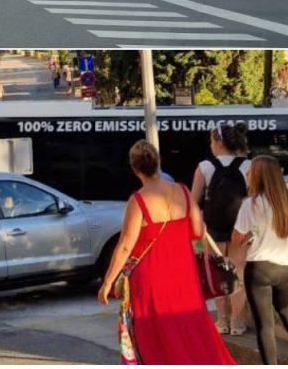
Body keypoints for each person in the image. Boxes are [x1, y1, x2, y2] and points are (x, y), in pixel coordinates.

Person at [99, 140, 235, 364]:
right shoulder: (182, 190)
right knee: (193, 331)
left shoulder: (138, 201)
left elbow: (125, 245)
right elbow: (198, 230)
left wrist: (107, 282)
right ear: (158, 163)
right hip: (184, 275)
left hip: (151, 280)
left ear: (134, 169)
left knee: (156, 336)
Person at [233, 156, 288, 365]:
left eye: (251, 171)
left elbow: (236, 237)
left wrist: (248, 237)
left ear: (257, 175)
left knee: (265, 325)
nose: (248, 174)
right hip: (285, 267)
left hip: (259, 267)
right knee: (285, 308)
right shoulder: (286, 200)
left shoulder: (250, 204)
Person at [192, 124, 251, 336]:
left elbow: (192, 201)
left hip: (212, 228)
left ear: (218, 142)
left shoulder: (204, 166)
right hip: (240, 228)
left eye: (211, 141)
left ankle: (222, 321)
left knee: (217, 274)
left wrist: (199, 226)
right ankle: (237, 323)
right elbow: (254, 199)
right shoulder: (248, 166)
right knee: (239, 273)